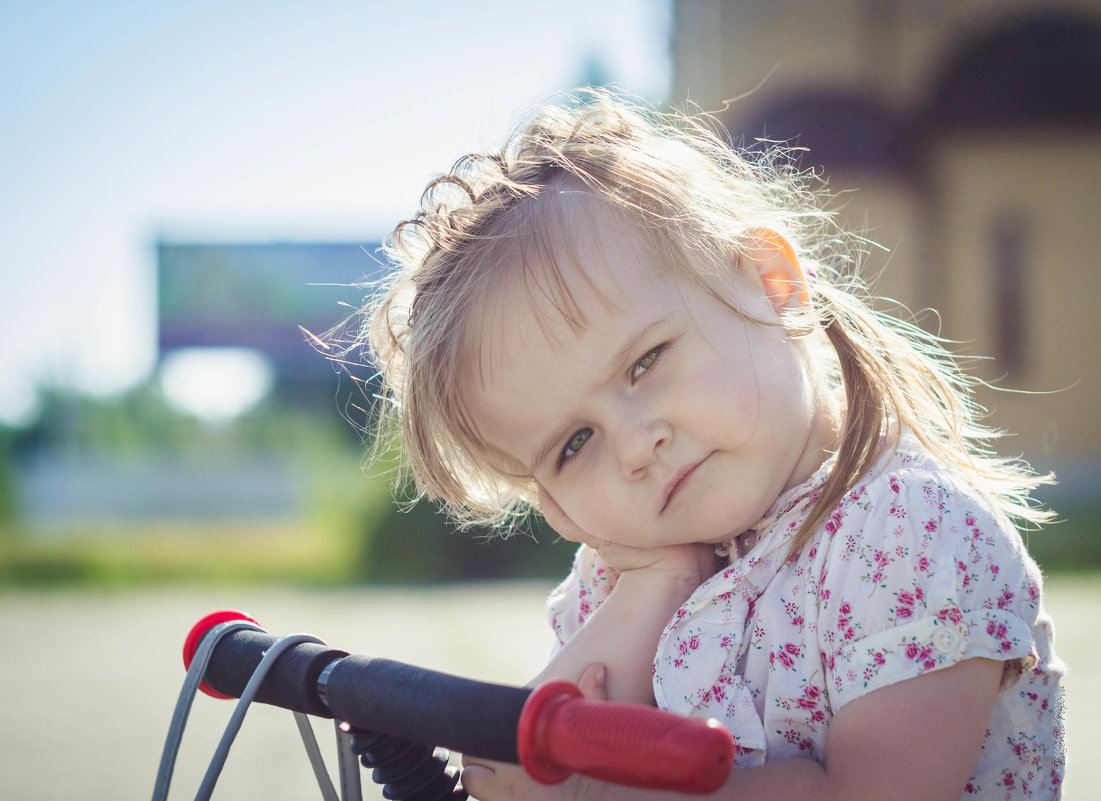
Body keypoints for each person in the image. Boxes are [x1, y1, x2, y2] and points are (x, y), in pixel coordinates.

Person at [348, 90, 1065, 800]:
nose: (633, 447)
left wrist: (598, 795)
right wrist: (660, 581)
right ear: (557, 508)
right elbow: (538, 748)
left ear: (771, 282)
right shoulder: (623, 574)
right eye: (573, 444)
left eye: (645, 361)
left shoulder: (908, 528)